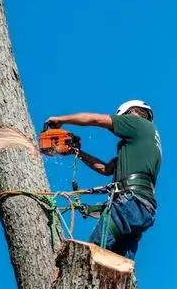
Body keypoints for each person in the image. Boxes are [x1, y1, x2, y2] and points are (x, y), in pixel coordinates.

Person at [44, 100, 162, 260]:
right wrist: (77, 152)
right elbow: (106, 169)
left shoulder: (136, 123)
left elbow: (96, 119)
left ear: (132, 113)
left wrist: (61, 120)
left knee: (93, 254)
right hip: (144, 209)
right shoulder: (142, 143)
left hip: (129, 202)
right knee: (117, 264)